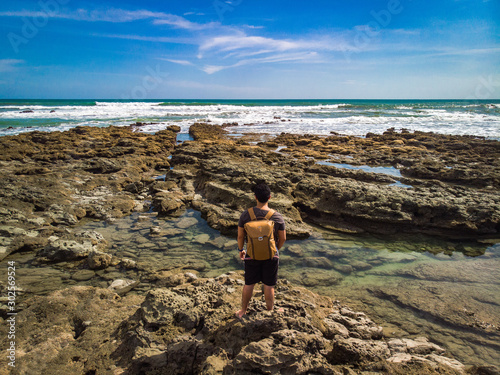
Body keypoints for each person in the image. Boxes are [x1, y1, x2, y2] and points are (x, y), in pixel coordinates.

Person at [236, 183, 286, 319]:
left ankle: (242, 311)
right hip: (271, 256)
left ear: (255, 197)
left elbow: (240, 236)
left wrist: (241, 250)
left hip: (251, 255)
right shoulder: (276, 216)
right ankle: (270, 311)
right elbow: (283, 238)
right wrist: (275, 249)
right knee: (269, 285)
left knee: (249, 284)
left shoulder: (246, 215)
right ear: (269, 197)